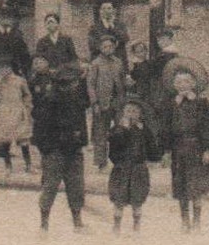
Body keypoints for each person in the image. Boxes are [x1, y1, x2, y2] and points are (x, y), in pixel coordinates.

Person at [30, 56, 90, 231]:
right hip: (54, 151)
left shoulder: (78, 100)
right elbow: (40, 129)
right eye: (68, 83)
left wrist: (80, 143)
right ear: (60, 84)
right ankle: (44, 222)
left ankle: (77, 221)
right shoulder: (49, 102)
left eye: (74, 82)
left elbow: (81, 124)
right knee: (50, 187)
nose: (72, 86)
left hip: (74, 150)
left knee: (77, 187)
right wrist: (46, 151)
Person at [167, 68, 209, 232]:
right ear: (175, 85)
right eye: (179, 82)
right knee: (181, 187)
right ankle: (184, 221)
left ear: (193, 84)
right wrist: (167, 151)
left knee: (196, 188)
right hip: (178, 150)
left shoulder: (201, 103)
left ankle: (197, 221)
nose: (183, 85)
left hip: (196, 149)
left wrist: (207, 150)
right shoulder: (172, 103)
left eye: (186, 81)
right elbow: (166, 128)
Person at [107, 98, 157, 233]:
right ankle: (117, 225)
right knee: (119, 198)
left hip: (138, 169)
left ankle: (136, 225)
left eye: (135, 111)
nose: (131, 114)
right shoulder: (117, 129)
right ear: (123, 112)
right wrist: (122, 130)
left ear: (140, 114)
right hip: (121, 168)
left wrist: (144, 132)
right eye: (128, 110)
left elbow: (153, 149)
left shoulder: (144, 130)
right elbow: (113, 150)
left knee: (137, 198)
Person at [87, 34, 128, 170]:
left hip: (118, 102)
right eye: (104, 46)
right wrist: (95, 103)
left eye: (110, 46)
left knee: (120, 131)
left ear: (114, 47)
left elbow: (122, 80)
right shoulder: (95, 63)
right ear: (100, 48)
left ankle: (120, 160)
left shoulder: (118, 62)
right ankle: (101, 163)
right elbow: (91, 85)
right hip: (102, 102)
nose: (107, 49)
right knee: (100, 133)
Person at [0, 55, 33, 173]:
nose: (4, 70)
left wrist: (27, 108)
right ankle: (8, 165)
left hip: (18, 110)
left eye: (6, 67)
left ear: (11, 68)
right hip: (3, 111)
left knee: (23, 138)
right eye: (1, 68)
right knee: (4, 140)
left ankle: (28, 164)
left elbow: (27, 94)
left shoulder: (19, 80)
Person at [0, 7, 30, 81]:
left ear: (12, 19)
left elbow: (24, 56)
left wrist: (24, 72)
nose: (5, 19)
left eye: (8, 16)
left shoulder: (17, 35)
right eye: (2, 16)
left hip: (14, 72)